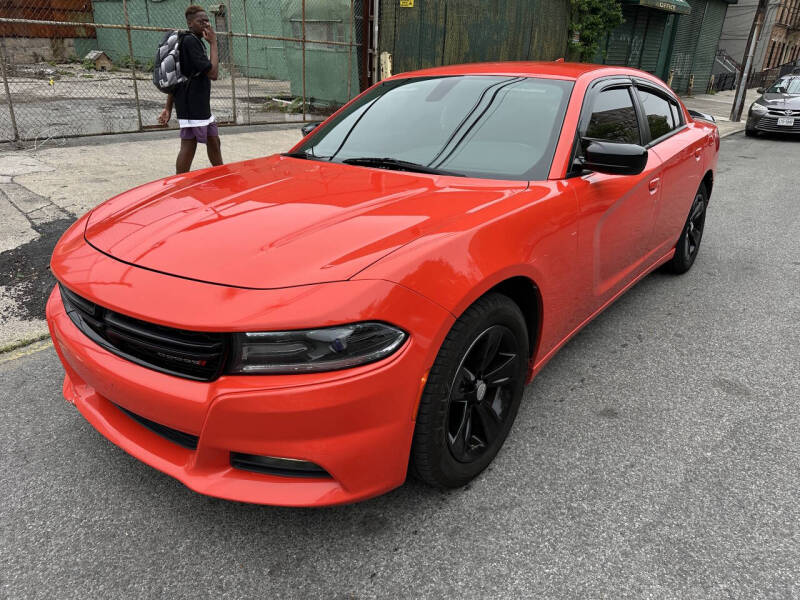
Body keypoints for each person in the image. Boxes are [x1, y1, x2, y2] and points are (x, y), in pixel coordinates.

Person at [158, 5, 222, 173]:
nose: (206, 24)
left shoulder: (193, 41)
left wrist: (168, 107)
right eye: (201, 22)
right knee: (189, 145)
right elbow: (213, 73)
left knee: (214, 140)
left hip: (197, 104)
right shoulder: (190, 42)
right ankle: (179, 181)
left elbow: (178, 77)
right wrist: (214, 43)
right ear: (190, 23)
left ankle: (221, 174)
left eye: (207, 21)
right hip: (191, 104)